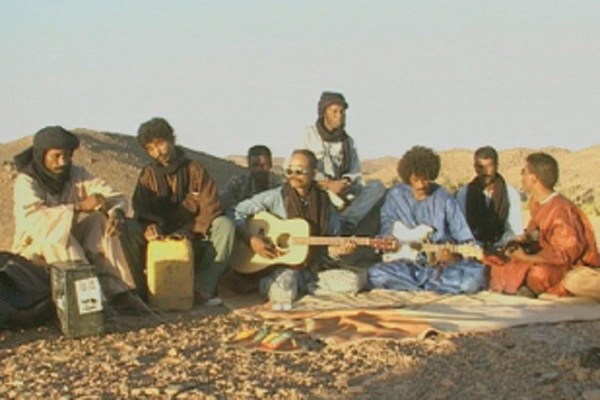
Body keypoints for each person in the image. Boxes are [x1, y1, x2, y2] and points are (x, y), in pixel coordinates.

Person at [12, 126, 142, 311]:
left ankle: (119, 293)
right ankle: (91, 303)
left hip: (70, 246)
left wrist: (116, 212)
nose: (63, 162)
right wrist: (78, 207)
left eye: (67, 156)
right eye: (56, 156)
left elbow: (112, 195)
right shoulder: (26, 182)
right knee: (59, 237)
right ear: (42, 155)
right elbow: (37, 222)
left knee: (100, 222)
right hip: (33, 251)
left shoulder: (75, 174)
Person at [233, 149, 358, 309]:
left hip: (315, 268)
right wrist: (251, 239)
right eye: (290, 170)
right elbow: (236, 212)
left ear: (313, 173)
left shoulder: (326, 204)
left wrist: (336, 252)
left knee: (352, 283)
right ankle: (283, 285)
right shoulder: (275, 197)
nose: (293, 175)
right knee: (284, 289)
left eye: (300, 171)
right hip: (283, 267)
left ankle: (301, 287)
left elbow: (330, 245)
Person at [132, 117, 235, 305]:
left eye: (160, 144)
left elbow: (210, 207)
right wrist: (150, 226)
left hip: (194, 235)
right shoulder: (147, 176)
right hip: (160, 238)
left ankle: (203, 287)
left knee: (225, 226)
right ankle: (139, 290)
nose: (157, 152)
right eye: (151, 149)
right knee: (127, 228)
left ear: (172, 139)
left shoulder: (195, 170)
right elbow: (140, 208)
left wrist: (189, 230)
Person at [368, 146, 488, 294]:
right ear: (408, 178)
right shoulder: (395, 195)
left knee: (471, 282)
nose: (421, 185)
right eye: (416, 180)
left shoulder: (445, 199)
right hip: (406, 265)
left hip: (440, 266)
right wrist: (387, 238)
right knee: (376, 274)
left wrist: (454, 256)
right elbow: (387, 224)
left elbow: (465, 238)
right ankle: (430, 286)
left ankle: (422, 285)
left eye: (425, 179)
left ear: (432, 175)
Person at [486, 152, 598, 297]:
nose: (522, 176)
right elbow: (538, 234)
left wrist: (527, 258)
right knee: (497, 262)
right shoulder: (536, 202)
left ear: (533, 178)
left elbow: (565, 254)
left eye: (524, 172)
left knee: (543, 274)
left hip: (570, 266)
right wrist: (521, 242)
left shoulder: (560, 209)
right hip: (546, 258)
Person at [297, 91, 386, 235]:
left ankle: (347, 221)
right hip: (318, 188)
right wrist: (327, 185)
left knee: (377, 187)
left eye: (342, 111)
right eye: (334, 111)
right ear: (324, 112)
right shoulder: (308, 135)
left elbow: (355, 172)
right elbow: (299, 168)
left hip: (343, 189)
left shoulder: (348, 142)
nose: (339, 115)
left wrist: (346, 182)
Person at [456, 146, 523, 249]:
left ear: (496, 166)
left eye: (489, 166)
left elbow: (515, 230)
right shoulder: (464, 193)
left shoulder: (511, 193)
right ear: (475, 167)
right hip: (473, 249)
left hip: (503, 248)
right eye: (480, 167)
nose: (485, 171)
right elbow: (461, 228)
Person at [219, 145, 282, 213]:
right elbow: (222, 202)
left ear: (270, 165)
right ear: (249, 165)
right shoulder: (238, 184)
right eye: (255, 165)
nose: (259, 169)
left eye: (263, 165)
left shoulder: (279, 186)